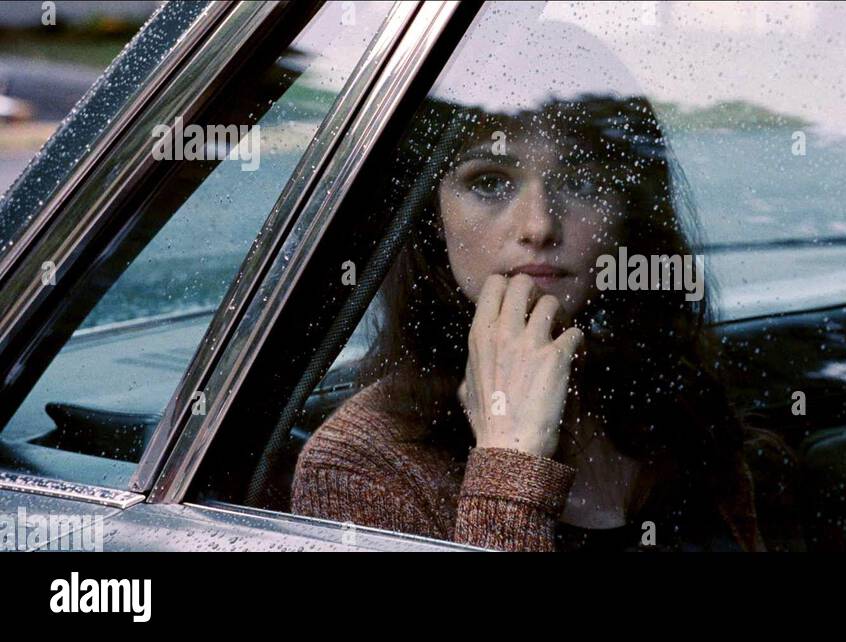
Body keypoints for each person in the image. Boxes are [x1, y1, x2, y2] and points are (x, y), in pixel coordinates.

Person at [290, 90, 768, 552]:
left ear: (628, 215)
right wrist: (511, 462)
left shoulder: (670, 402)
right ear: (431, 216)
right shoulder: (361, 464)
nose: (539, 226)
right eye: (489, 182)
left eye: (581, 181)